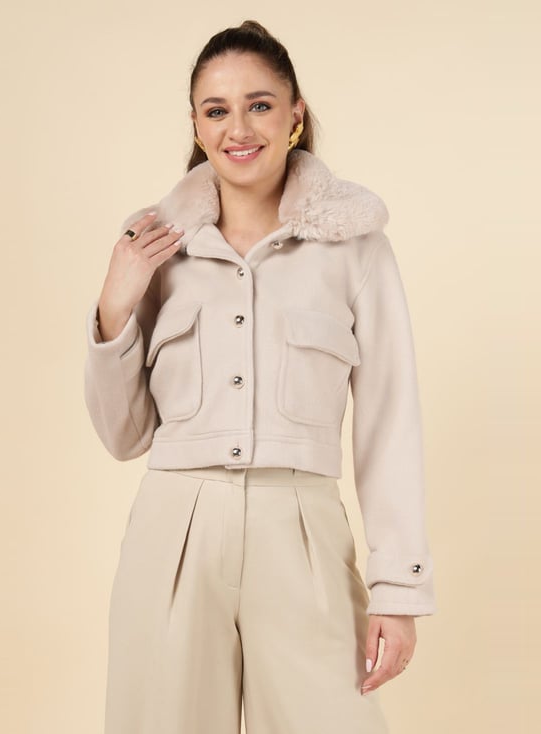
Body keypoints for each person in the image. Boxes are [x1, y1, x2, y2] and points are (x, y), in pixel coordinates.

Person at [84, 19, 436, 734]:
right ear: (195, 123)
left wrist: (397, 589)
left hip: (302, 529)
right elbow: (123, 437)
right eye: (216, 110)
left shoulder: (356, 246)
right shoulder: (152, 244)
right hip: (173, 533)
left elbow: (389, 417)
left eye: (260, 105)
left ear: (295, 114)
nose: (238, 128)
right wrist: (115, 306)